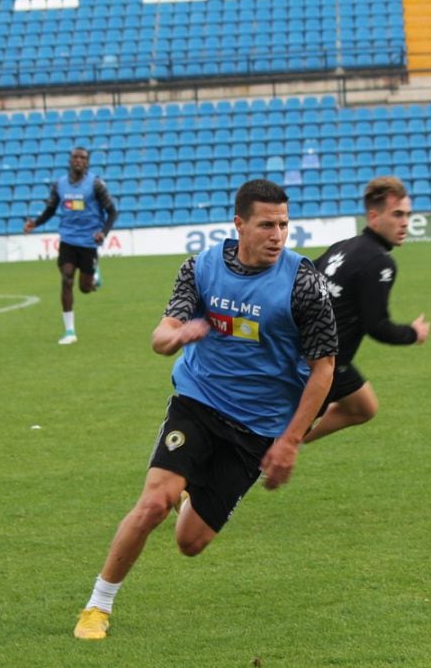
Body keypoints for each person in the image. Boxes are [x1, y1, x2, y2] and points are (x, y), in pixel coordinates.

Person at [72, 179, 337, 641]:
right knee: (155, 502)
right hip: (199, 400)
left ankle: (192, 495)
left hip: (258, 427)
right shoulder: (201, 268)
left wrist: (289, 441)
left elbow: (323, 369)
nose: (277, 235)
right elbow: (161, 335)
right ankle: (98, 606)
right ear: (239, 224)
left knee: (190, 543)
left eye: (284, 225)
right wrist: (176, 336)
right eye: (266, 225)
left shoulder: (304, 282)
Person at [304, 176, 430, 444]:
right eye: (397, 214)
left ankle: (289, 445)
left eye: (408, 214)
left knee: (363, 407)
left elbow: (302, 277)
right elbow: (378, 326)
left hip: (313, 353)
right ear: (374, 217)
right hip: (320, 365)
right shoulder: (379, 262)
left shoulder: (344, 246)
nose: (405, 222)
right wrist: (413, 333)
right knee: (264, 446)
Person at [24, 146, 118, 345]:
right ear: (69, 160)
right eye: (75, 157)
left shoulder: (96, 185)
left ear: (87, 162)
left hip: (88, 242)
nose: (78, 160)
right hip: (67, 239)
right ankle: (69, 331)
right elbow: (50, 209)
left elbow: (112, 212)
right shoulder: (59, 185)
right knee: (66, 278)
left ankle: (94, 278)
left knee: (84, 287)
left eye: (82, 158)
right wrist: (35, 223)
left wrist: (104, 232)